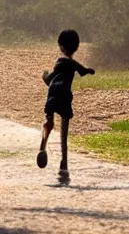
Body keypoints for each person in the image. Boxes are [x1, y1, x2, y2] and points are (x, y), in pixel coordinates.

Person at [37, 29, 95, 182]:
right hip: (65, 98)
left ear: (61, 47)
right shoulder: (72, 63)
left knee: (49, 122)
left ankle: (43, 147)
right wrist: (89, 71)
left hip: (53, 96)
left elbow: (49, 80)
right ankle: (64, 165)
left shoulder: (60, 62)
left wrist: (44, 74)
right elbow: (83, 70)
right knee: (64, 133)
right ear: (76, 47)